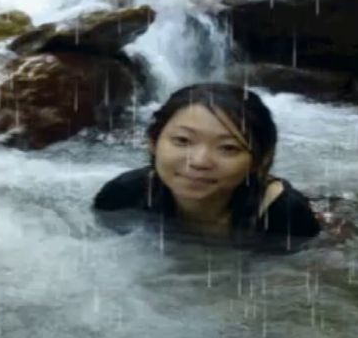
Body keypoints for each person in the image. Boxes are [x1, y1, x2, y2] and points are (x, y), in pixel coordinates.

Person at [93, 83, 322, 252]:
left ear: (260, 160)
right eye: (182, 141)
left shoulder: (284, 215)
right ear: (153, 142)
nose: (200, 161)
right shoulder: (123, 194)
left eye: (228, 148)